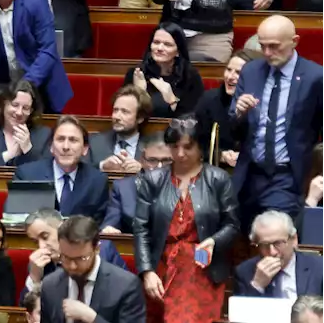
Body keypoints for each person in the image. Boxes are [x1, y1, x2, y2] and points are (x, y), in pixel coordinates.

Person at [134, 116, 239, 323]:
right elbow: (141, 228)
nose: (180, 154)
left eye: (188, 147)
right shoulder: (153, 179)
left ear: (201, 147)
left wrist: (214, 241)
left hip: (202, 263)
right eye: (174, 147)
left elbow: (232, 224)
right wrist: (147, 271)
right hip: (162, 265)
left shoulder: (218, 179)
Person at [229, 14, 324, 228]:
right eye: (263, 46)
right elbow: (233, 130)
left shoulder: (315, 77)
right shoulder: (251, 71)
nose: (267, 53)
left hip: (288, 176)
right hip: (249, 175)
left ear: (295, 41)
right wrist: (239, 113)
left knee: (275, 236)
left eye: (274, 46)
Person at [38, 215, 146, 323]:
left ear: (97, 249)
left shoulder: (126, 286)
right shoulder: (50, 285)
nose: (72, 266)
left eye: (81, 258)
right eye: (65, 257)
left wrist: (92, 318)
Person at [13, 115, 109, 222]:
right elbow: (16, 220)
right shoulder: (27, 175)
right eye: (60, 139)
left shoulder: (97, 181)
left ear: (85, 149)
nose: (66, 147)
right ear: (51, 147)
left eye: (73, 140)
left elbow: (99, 225)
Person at [23, 208, 127, 300]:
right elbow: (26, 313)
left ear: (61, 228)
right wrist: (34, 279)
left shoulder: (101, 250)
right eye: (36, 242)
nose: (41, 246)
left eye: (45, 237)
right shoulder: (39, 266)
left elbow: (125, 293)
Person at [235, 210, 324, 298]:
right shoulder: (244, 272)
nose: (272, 252)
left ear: (294, 239)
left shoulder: (319, 268)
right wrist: (257, 285)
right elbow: (242, 311)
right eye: (264, 245)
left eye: (278, 243)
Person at [123, 24, 204, 118]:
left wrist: (171, 99)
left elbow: (192, 119)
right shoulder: (136, 73)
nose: (160, 48)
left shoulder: (190, 76)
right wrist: (140, 93)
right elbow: (125, 114)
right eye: (156, 42)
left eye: (167, 44)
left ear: (178, 51)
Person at [195, 50, 251, 168]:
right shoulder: (208, 100)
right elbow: (196, 145)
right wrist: (220, 155)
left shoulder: (265, 103)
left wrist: (245, 156)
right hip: (215, 169)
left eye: (238, 73)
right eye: (229, 70)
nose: (230, 77)